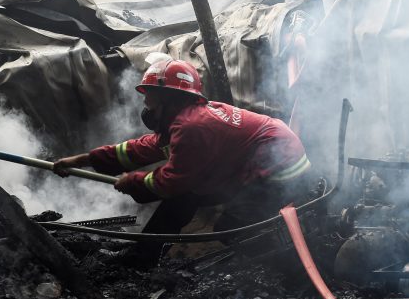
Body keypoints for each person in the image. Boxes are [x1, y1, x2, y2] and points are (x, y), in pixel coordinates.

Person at [52, 58, 317, 265]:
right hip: (255, 164)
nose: (145, 104)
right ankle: (143, 257)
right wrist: (80, 160)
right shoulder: (185, 118)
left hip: (281, 171)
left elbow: (171, 181)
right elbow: (137, 150)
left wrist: (133, 182)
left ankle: (293, 266)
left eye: (149, 96)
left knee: (232, 227)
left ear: (169, 97)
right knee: (186, 197)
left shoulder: (192, 127)